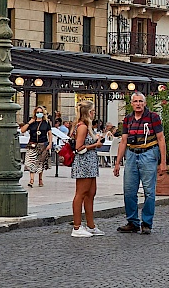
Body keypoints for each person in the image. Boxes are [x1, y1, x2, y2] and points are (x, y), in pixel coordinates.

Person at [113, 91, 166, 234]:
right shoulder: (128, 119)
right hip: (131, 155)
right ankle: (133, 222)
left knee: (149, 191)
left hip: (148, 153)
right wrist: (117, 162)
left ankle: (147, 223)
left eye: (140, 101)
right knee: (129, 191)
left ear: (145, 103)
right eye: (135, 101)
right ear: (131, 104)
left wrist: (163, 162)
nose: (138, 104)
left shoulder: (153, 117)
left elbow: (161, 139)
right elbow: (123, 141)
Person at [69, 99, 105, 238]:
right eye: (93, 111)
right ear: (89, 112)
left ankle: (91, 225)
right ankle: (77, 226)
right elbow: (79, 147)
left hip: (89, 163)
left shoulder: (86, 126)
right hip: (84, 163)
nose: (94, 113)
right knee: (81, 194)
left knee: (90, 193)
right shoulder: (83, 126)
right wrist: (94, 145)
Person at [20, 105, 53, 188]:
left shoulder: (46, 122)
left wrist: (50, 144)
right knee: (31, 161)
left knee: (40, 163)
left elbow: (49, 133)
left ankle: (40, 179)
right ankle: (31, 180)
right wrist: (29, 123)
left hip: (42, 144)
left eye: (41, 112)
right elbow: (22, 130)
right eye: (37, 112)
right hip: (32, 144)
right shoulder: (32, 122)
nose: (39, 114)